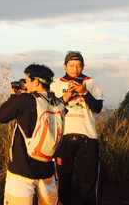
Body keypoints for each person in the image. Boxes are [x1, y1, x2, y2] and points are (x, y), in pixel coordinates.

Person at [0, 64, 61, 205]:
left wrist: (14, 97)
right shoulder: (57, 102)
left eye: (27, 80)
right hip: (47, 167)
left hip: (22, 169)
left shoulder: (26, 100)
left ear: (36, 82)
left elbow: (1, 117)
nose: (25, 83)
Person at [51, 51, 103, 205]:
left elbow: (97, 108)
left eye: (79, 66)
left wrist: (84, 92)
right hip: (63, 137)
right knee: (62, 180)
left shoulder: (91, 82)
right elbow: (52, 109)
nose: (75, 69)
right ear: (65, 66)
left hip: (88, 137)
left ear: (83, 66)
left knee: (88, 180)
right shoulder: (56, 84)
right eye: (72, 65)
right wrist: (67, 96)